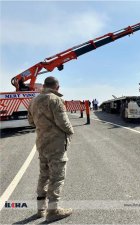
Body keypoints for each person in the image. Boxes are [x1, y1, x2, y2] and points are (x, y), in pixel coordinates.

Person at [28, 76, 74, 222]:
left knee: (44, 175)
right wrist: (70, 132)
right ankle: (53, 211)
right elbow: (63, 122)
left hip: (42, 143)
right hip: (56, 144)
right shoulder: (55, 99)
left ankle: (40, 209)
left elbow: (30, 121)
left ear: (44, 86)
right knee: (57, 177)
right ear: (57, 87)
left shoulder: (34, 101)